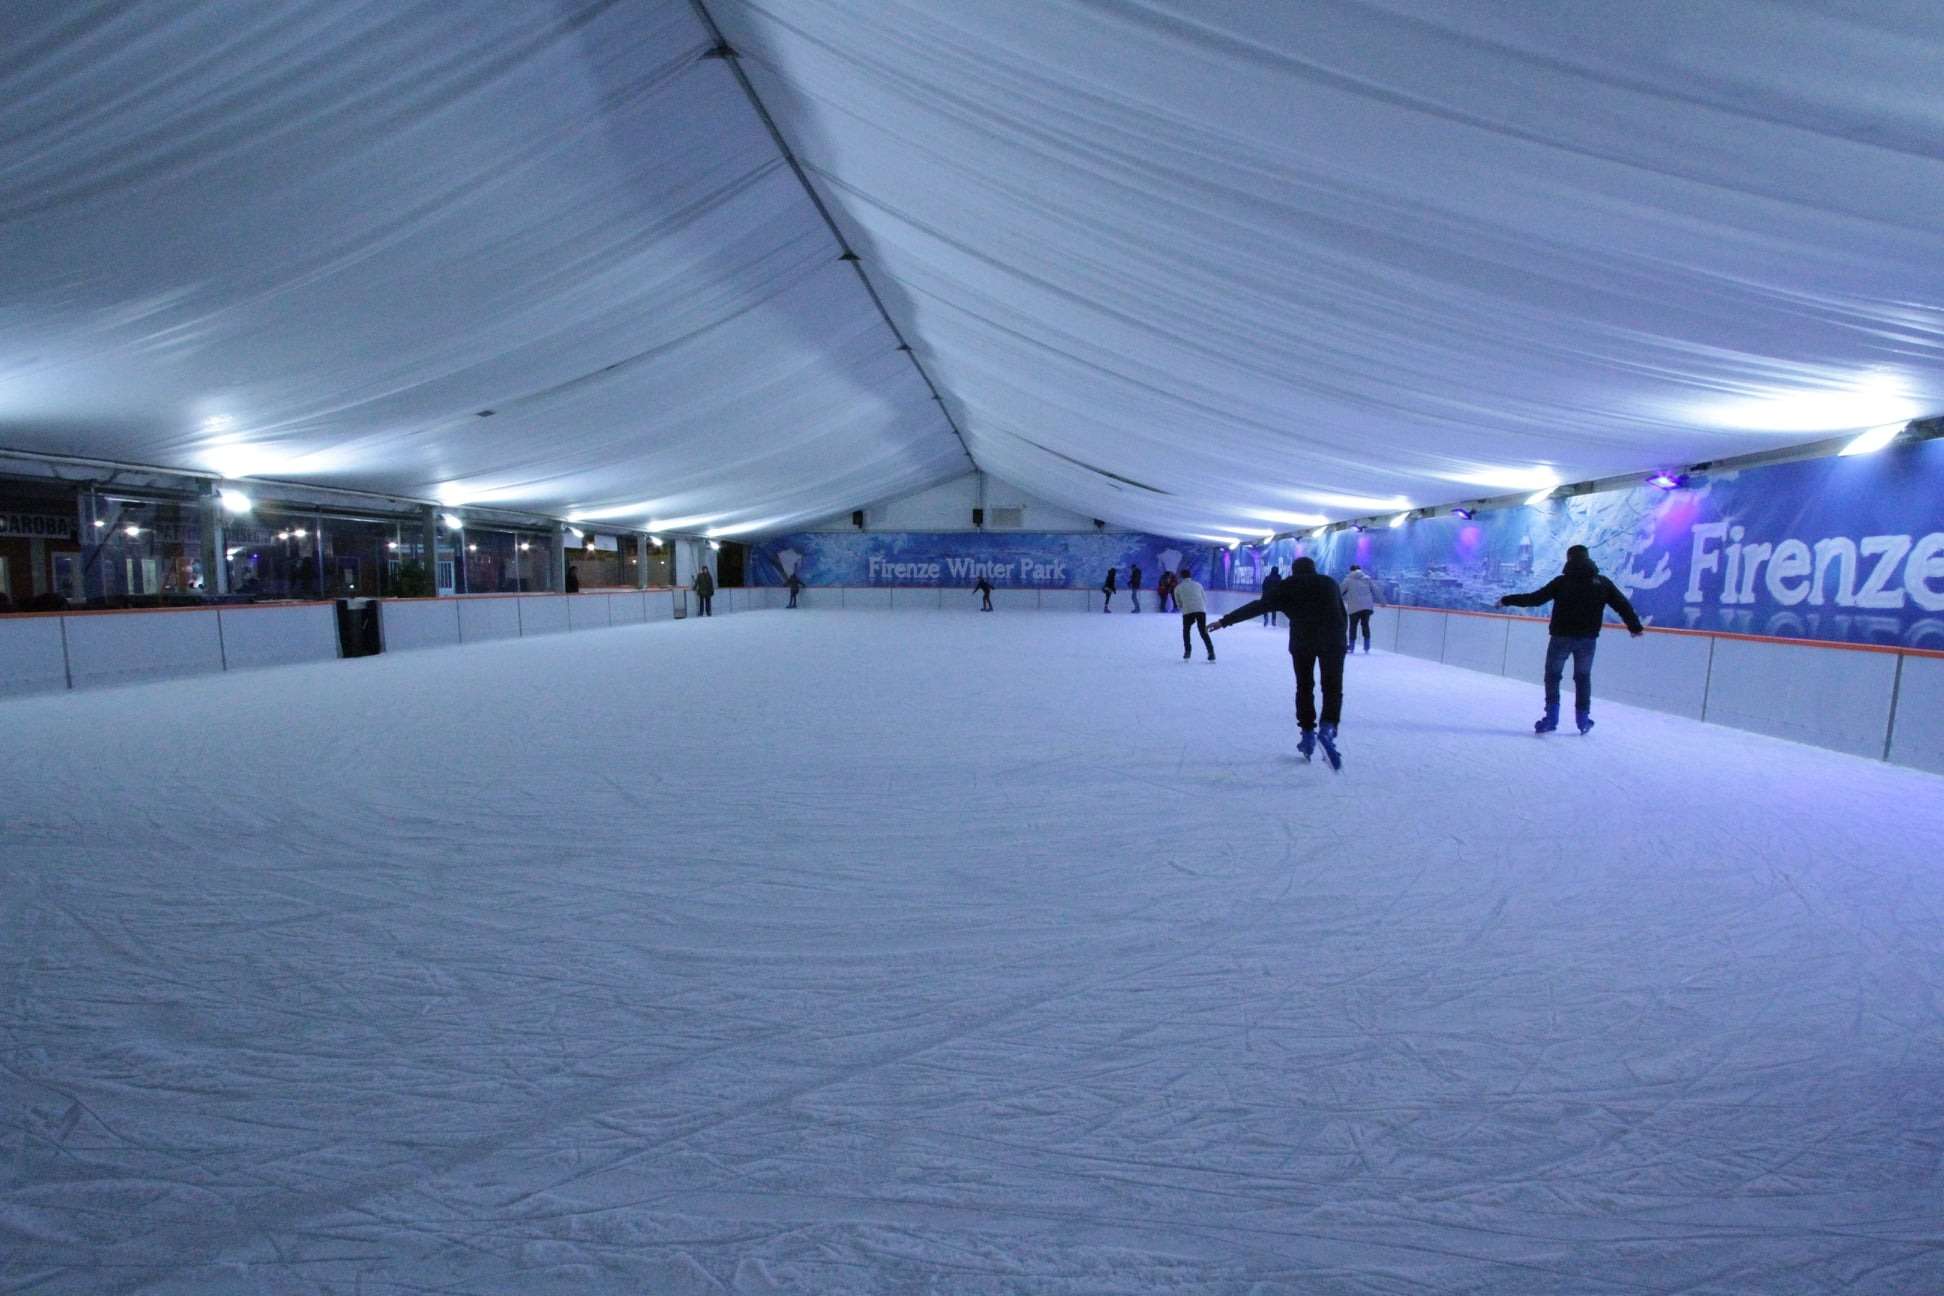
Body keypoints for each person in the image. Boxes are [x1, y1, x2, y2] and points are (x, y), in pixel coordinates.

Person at [1210, 556, 1348, 768]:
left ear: (1293, 571)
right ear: (1314, 569)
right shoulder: (1329, 582)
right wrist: (1341, 640)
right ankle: (1328, 728)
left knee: (1304, 687)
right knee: (1332, 688)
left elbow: (1258, 606)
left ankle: (1308, 733)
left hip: (1303, 642)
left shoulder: (1288, 585)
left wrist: (1225, 621)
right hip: (1333, 641)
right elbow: (1342, 613)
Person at [1498, 544, 1643, 734]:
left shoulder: (1561, 582)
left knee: (1553, 676)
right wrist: (1634, 627)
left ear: (1569, 559)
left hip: (1561, 638)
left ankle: (1551, 719)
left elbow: (1535, 599)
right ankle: (1583, 721)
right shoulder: (1602, 583)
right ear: (1588, 558)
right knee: (1583, 678)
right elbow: (1622, 605)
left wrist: (1506, 599)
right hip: (1588, 640)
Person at [1173, 565, 1214, 662]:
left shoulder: (1178, 588)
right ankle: (1211, 653)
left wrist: (1183, 607)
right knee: (1203, 632)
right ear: (1190, 576)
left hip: (1188, 611)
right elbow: (1204, 598)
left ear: (1181, 577)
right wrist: (1200, 607)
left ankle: (1187, 652)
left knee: (1186, 631)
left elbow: (1178, 603)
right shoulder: (1198, 585)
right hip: (1200, 610)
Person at [1341, 564, 1378, 651]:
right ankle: (1367, 646)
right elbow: (1376, 590)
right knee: (1365, 625)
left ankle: (1352, 646)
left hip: (1354, 607)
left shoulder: (1348, 580)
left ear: (1351, 570)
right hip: (1367, 607)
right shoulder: (1367, 579)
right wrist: (1383, 602)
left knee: (1353, 626)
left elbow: (1340, 591)